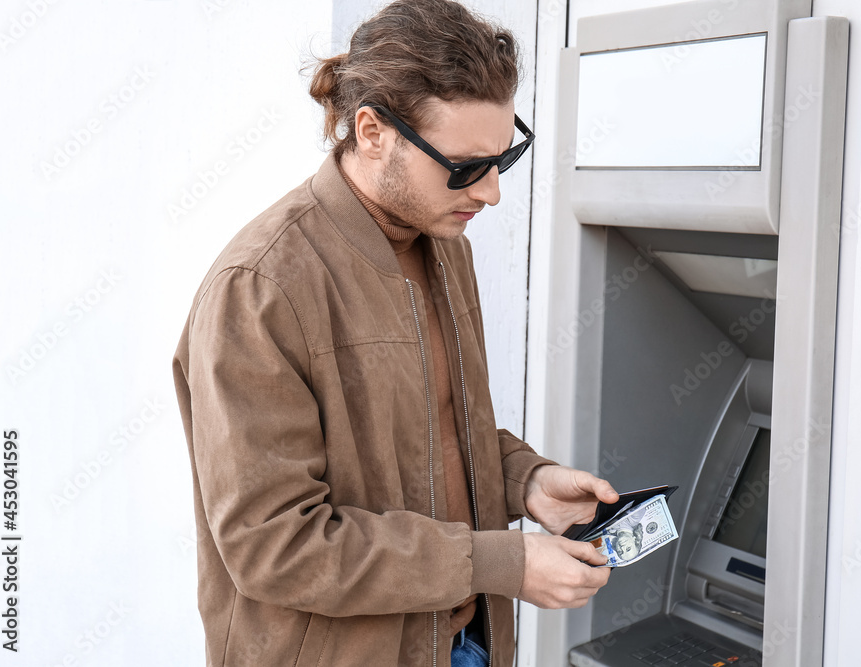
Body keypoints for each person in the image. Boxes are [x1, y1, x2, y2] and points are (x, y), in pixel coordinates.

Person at [172, 1, 619, 665]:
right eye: (467, 166)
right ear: (372, 130)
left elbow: (429, 438)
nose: (491, 192)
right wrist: (500, 560)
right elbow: (276, 547)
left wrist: (526, 482)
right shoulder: (260, 287)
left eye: (505, 157)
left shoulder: (445, 246)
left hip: (461, 643)